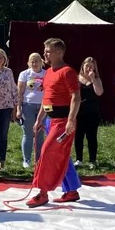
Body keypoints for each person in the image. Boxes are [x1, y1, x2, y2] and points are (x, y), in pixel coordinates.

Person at [28, 38, 81, 208]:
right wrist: (39, 119)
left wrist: (71, 120)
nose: (45, 54)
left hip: (63, 122)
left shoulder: (68, 72)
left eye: (48, 51)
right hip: (51, 120)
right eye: (45, 51)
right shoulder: (49, 72)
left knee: (46, 152)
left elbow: (76, 97)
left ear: (59, 52)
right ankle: (71, 191)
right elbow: (47, 98)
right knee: (62, 156)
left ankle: (42, 193)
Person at [16, 53, 46, 170]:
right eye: (32, 61)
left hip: (43, 107)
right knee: (28, 133)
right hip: (27, 105)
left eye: (37, 61)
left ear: (41, 62)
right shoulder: (24, 74)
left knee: (40, 135)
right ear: (28, 63)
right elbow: (20, 92)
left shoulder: (46, 74)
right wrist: (18, 108)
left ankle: (39, 160)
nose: (34, 63)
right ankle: (26, 160)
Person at [74, 57, 103, 170]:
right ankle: (79, 159)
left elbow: (99, 93)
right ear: (83, 66)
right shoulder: (76, 78)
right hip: (79, 111)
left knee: (91, 137)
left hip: (92, 112)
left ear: (94, 68)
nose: (89, 68)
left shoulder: (97, 79)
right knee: (78, 136)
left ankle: (92, 160)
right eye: (87, 66)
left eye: (91, 66)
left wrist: (93, 80)